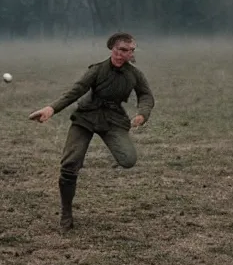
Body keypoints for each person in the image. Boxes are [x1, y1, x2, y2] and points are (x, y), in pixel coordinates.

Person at [28, 31, 154, 233]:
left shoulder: (134, 75)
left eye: (131, 50)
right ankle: (66, 213)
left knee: (128, 159)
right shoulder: (97, 70)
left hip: (113, 119)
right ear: (112, 49)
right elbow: (76, 90)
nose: (127, 54)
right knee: (69, 165)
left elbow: (146, 95)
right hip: (86, 118)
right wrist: (51, 109)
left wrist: (142, 114)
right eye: (122, 49)